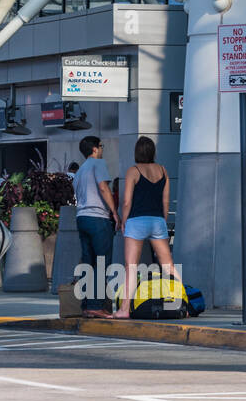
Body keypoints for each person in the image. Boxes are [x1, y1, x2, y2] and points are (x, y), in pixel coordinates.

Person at [115, 136, 179, 320]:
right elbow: (165, 200)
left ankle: (124, 309)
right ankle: (182, 303)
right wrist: (162, 220)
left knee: (131, 267)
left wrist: (124, 221)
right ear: (153, 152)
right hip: (157, 221)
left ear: (137, 151)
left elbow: (127, 201)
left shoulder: (133, 171)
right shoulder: (163, 170)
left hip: (136, 221)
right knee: (169, 266)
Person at [72, 136, 119, 319]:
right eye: (101, 146)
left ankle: (86, 305)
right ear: (94, 149)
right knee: (101, 262)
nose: (102, 149)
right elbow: (103, 187)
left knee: (88, 263)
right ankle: (96, 305)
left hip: (81, 217)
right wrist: (114, 212)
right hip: (97, 218)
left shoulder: (80, 171)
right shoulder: (98, 164)